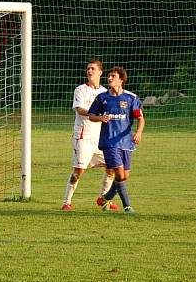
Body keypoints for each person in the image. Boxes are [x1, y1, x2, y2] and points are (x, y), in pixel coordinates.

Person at [61, 60, 118, 211]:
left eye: (93, 69)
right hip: (83, 137)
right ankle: (67, 202)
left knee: (112, 167)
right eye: (88, 69)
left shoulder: (106, 92)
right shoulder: (80, 90)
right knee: (78, 171)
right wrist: (98, 115)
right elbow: (80, 110)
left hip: (100, 139)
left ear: (100, 72)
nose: (89, 71)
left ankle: (103, 198)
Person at [87, 66, 145, 214]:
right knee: (119, 174)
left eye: (113, 76)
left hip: (126, 142)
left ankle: (106, 198)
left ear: (121, 79)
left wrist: (138, 132)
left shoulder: (131, 98)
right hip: (109, 142)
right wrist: (100, 117)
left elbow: (140, 118)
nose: (109, 79)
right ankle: (127, 206)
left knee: (125, 176)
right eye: (109, 76)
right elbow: (91, 115)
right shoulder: (102, 98)